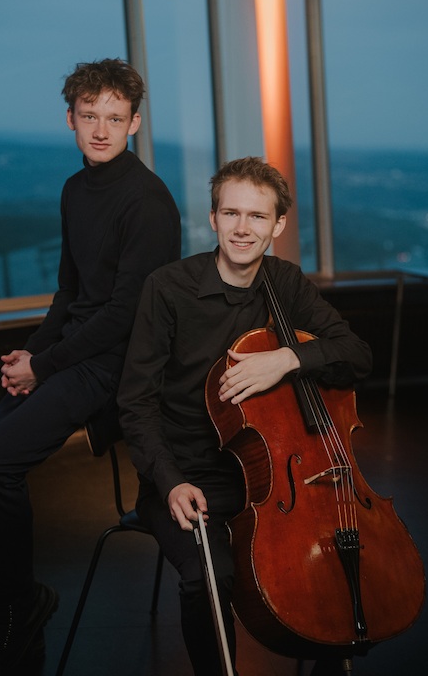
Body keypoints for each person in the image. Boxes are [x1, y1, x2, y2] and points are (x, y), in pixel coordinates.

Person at [0, 58, 181, 673]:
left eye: (115, 119)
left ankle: (18, 612)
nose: (101, 129)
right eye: (89, 115)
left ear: (135, 124)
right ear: (70, 118)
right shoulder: (75, 190)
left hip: (112, 366)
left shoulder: (148, 202)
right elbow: (69, 292)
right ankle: (16, 605)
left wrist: (44, 367)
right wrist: (34, 352)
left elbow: (124, 315)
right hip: (73, 352)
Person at [118, 156, 372, 676]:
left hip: (277, 477)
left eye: (257, 216)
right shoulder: (167, 288)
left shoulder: (286, 283)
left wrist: (287, 358)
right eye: (231, 213)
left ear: (277, 225)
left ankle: (330, 666)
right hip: (191, 476)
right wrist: (169, 482)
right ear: (213, 218)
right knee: (208, 578)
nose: (242, 228)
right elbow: (135, 402)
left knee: (331, 559)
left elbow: (357, 355)